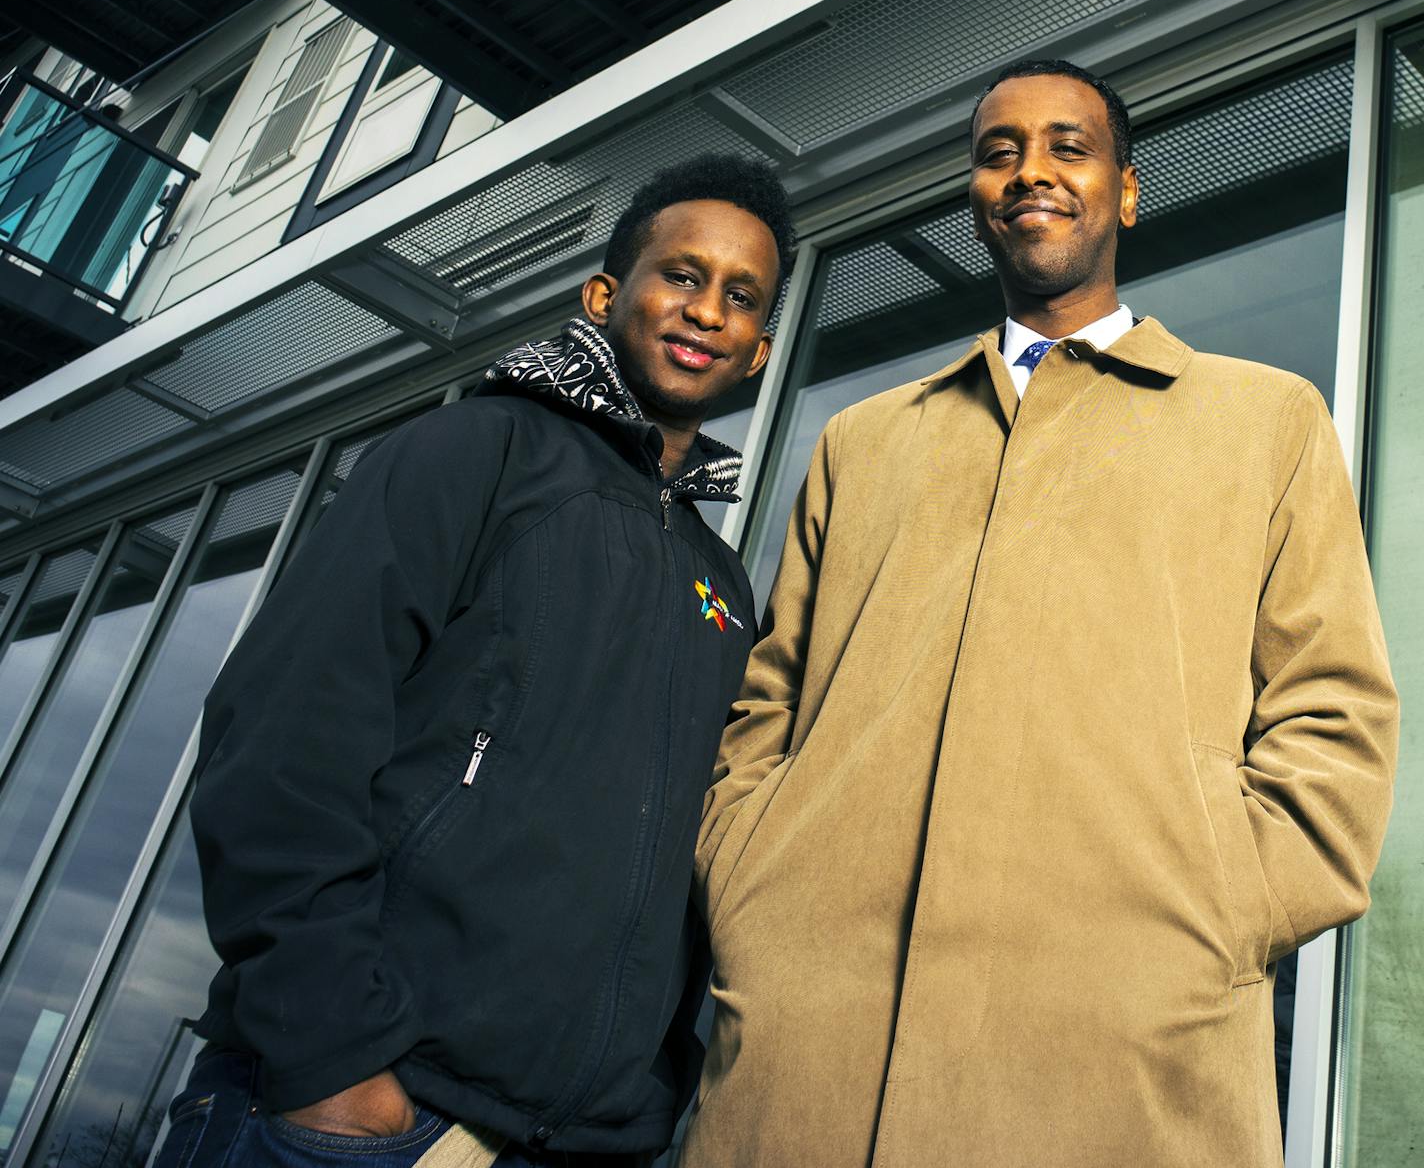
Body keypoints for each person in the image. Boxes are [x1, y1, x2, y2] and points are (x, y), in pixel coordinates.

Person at [683, 59, 1398, 1168]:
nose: (1030, 171)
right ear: (975, 197)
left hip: (1124, 1053)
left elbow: (1332, 718)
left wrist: (1215, 912)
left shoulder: (1266, 420)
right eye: (998, 150)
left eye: (1068, 146)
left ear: (1123, 189)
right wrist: (752, 889)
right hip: (809, 1044)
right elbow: (764, 709)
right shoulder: (861, 441)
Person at [161, 153, 796, 1168]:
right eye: (680, 273)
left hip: (581, 1142)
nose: (706, 309)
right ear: (605, 293)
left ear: (760, 350)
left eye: (739, 296)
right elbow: (282, 736)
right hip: (368, 1113)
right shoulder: (476, 450)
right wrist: (331, 1052)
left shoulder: (717, 581)